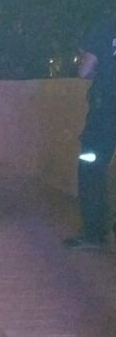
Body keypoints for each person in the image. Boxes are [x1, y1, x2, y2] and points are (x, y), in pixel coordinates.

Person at [64, 13, 116, 250]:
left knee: (91, 167)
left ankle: (94, 232)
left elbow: (85, 71)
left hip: (106, 111)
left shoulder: (106, 26)